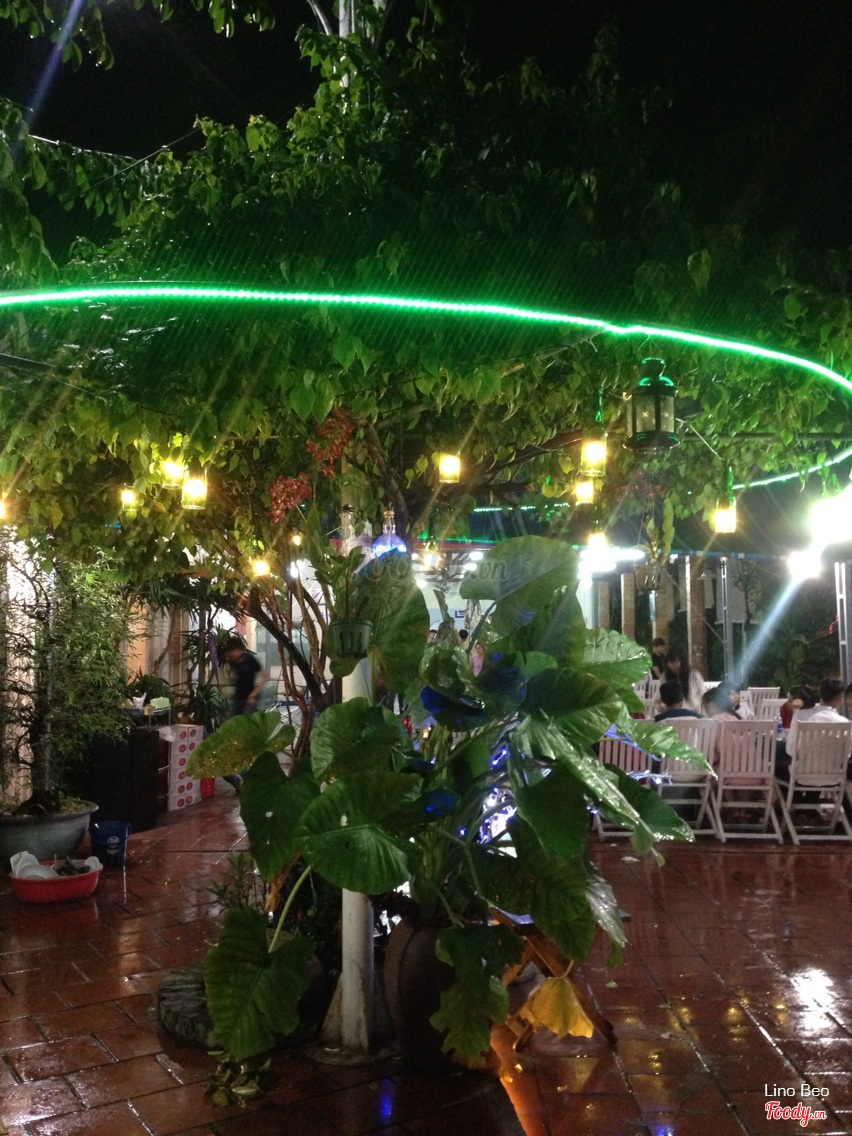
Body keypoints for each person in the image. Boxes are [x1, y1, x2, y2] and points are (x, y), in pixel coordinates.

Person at [221, 637, 270, 791]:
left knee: (247, 735)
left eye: (232, 651)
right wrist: (229, 692)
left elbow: (265, 676)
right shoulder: (231, 662)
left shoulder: (250, 660)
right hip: (238, 700)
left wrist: (253, 694)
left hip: (250, 702)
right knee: (232, 735)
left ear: (239, 650)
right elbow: (234, 680)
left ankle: (252, 775)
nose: (230, 655)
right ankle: (243, 774)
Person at [786, 677, 849, 761]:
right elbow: (846, 754)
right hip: (833, 768)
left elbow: (791, 750)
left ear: (820, 694)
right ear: (840, 699)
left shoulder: (801, 716)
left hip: (804, 768)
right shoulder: (845, 723)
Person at [663, 647, 704, 713]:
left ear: (682, 662)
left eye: (676, 662)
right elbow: (658, 700)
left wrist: (698, 707)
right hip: (671, 713)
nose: (673, 665)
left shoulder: (694, 675)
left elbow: (702, 695)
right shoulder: (665, 676)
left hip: (692, 712)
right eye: (670, 662)